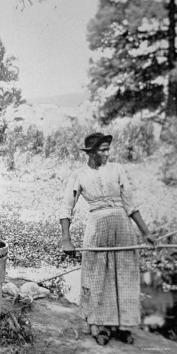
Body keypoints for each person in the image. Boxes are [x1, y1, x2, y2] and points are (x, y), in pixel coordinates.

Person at [59, 132, 154, 345]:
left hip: (123, 227)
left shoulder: (117, 170)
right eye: (102, 150)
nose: (107, 153)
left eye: (108, 149)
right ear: (91, 152)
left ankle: (121, 325)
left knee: (124, 273)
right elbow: (66, 207)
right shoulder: (80, 175)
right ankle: (98, 325)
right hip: (97, 227)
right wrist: (66, 238)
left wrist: (146, 233)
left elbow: (131, 204)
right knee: (96, 274)